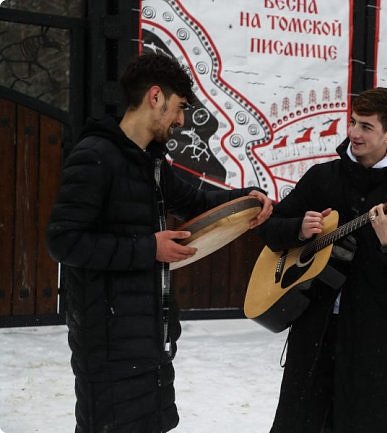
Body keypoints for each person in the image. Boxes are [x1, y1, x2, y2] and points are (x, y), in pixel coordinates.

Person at [46, 53, 273, 433]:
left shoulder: (149, 162)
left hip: (149, 340)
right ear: (155, 96)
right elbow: (63, 241)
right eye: (179, 107)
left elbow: (197, 201)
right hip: (108, 346)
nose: (182, 120)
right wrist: (148, 248)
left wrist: (248, 199)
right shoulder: (95, 157)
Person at [258, 87, 387, 433]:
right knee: (302, 419)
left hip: (371, 332)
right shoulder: (323, 177)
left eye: (366, 126)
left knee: (366, 419)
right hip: (314, 324)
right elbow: (269, 228)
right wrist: (298, 229)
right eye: (352, 122)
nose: (353, 133)